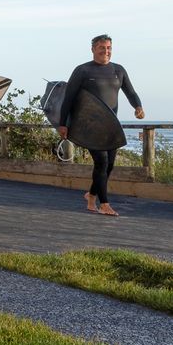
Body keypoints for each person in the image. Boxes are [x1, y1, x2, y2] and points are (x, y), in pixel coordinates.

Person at [55, 33, 145, 216]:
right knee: (102, 161)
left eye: (109, 48)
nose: (106, 51)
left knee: (109, 165)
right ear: (93, 49)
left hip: (110, 126)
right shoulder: (83, 71)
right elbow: (69, 98)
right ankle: (104, 204)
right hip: (88, 126)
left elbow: (131, 92)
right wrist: (62, 124)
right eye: (102, 48)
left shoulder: (118, 70)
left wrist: (138, 106)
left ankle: (91, 195)